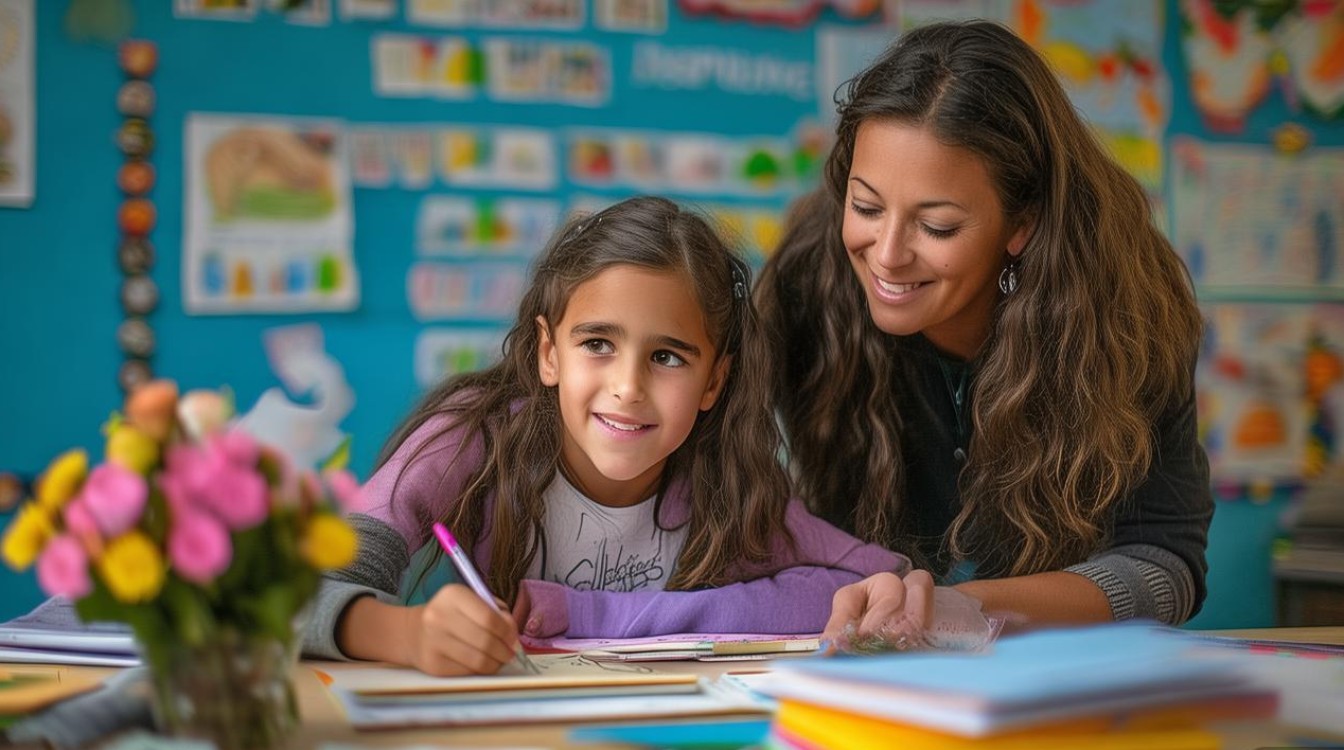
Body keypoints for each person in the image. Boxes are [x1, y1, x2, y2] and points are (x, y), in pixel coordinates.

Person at [303, 196, 907, 675]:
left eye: (668, 357)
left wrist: (598, 614)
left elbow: (884, 586)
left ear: (714, 382)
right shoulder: (469, 442)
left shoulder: (727, 479)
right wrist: (405, 634)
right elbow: (299, 593)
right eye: (597, 344)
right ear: (548, 352)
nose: (627, 387)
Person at [754, 20, 1213, 644]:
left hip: (1048, 690)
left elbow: (1166, 569)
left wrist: (965, 606)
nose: (886, 254)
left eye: (936, 227)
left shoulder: (1127, 313)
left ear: (1020, 224)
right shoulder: (811, 284)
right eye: (864, 207)